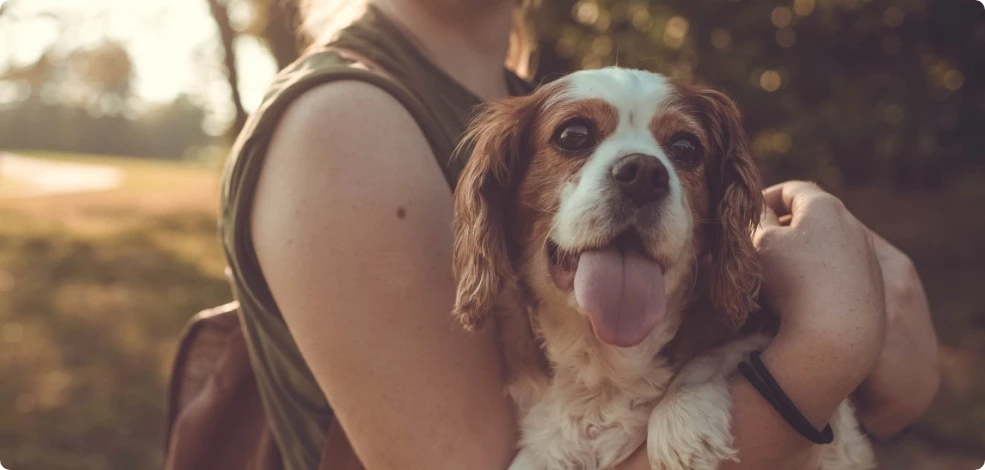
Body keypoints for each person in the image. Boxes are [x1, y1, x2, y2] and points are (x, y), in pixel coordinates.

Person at [219, 0, 941, 468]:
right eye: (572, 137)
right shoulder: (342, 119)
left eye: (679, 152)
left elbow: (898, 394)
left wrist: (890, 351)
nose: (640, 169)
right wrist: (830, 346)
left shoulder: (520, 91)